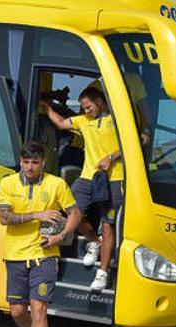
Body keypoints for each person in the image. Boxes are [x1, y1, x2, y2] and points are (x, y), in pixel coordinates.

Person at [0, 141, 79, 327]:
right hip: (15, 254)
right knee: (18, 311)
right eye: (26, 162)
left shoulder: (57, 184)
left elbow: (75, 212)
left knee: (39, 308)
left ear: (43, 162)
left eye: (34, 162)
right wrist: (38, 215)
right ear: (20, 162)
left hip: (44, 256)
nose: (30, 167)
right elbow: (4, 218)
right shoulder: (7, 183)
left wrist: (60, 236)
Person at [40, 86, 123, 291]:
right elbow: (60, 123)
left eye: (88, 107)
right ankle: (94, 241)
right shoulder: (83, 121)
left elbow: (136, 142)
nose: (86, 111)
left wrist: (110, 157)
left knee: (107, 223)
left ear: (100, 101)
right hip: (87, 178)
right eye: (84, 108)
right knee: (73, 212)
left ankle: (102, 273)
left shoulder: (118, 121)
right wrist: (46, 106)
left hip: (114, 179)